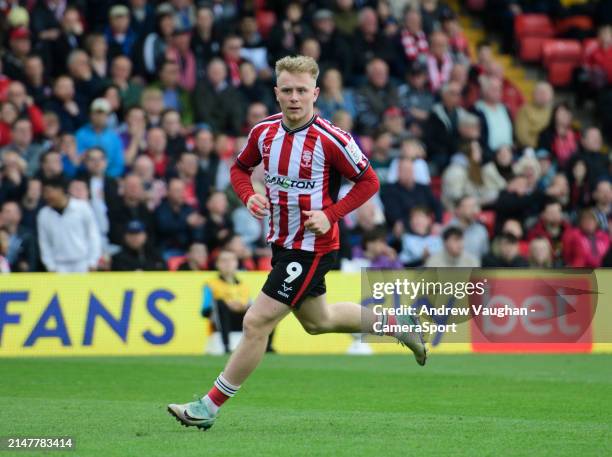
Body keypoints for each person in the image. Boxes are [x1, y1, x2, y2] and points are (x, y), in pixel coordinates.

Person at [168, 55, 427, 431]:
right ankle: (397, 323)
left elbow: (370, 182)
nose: (294, 97)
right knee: (318, 321)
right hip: (282, 244)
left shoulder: (333, 139)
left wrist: (332, 214)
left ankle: (208, 406)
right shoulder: (263, 133)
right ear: (276, 93)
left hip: (313, 246)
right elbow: (240, 170)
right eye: (287, 90)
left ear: (315, 93)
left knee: (255, 322)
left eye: (301, 91)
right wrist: (248, 196)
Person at [37, 176, 102, 272]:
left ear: (60, 190)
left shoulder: (82, 208)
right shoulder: (44, 214)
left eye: (48, 192)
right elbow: (44, 242)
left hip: (82, 263)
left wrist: (93, 261)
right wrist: (50, 265)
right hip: (58, 266)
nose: (46, 196)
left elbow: (93, 235)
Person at [201, 249, 251, 355]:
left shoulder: (244, 285)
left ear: (236, 263)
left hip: (241, 318)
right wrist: (226, 304)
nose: (228, 264)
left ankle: (267, 346)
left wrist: (239, 306)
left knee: (267, 307)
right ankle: (226, 345)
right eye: (224, 261)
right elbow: (205, 310)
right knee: (220, 304)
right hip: (220, 319)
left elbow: (247, 303)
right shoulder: (210, 283)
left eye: (231, 260)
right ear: (217, 264)